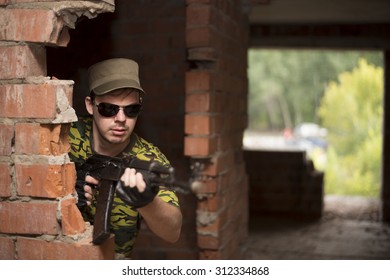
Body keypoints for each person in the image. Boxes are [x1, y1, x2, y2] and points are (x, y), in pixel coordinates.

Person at [68, 58, 182, 259]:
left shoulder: (149, 160)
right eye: (109, 109)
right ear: (90, 105)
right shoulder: (65, 136)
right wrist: (66, 188)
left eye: (131, 110)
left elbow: (173, 232)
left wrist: (147, 201)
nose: (121, 118)